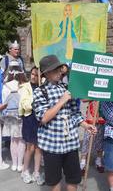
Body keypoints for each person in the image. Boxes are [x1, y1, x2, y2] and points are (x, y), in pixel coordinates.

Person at [33, 55, 96, 191]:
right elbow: (43, 118)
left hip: (71, 143)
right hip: (51, 145)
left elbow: (75, 113)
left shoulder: (67, 88)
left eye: (59, 69)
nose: (59, 72)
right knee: (54, 181)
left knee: (73, 179)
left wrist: (85, 125)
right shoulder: (40, 92)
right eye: (55, 70)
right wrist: (61, 101)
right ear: (47, 73)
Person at [20, 66, 45, 185]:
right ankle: (25, 171)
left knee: (39, 147)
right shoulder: (25, 87)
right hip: (29, 119)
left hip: (40, 119)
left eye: (37, 75)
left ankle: (36, 172)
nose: (34, 77)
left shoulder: (43, 86)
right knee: (30, 147)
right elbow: (26, 105)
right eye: (33, 74)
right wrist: (37, 99)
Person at [1, 61, 26, 172]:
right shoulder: (24, 84)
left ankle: (14, 164)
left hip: (9, 116)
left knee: (13, 140)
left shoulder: (5, 85)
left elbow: (3, 101)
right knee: (21, 140)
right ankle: (20, 164)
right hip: (21, 114)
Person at [80, 100, 105, 174]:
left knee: (100, 141)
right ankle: (82, 163)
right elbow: (83, 99)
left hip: (102, 118)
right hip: (91, 118)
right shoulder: (91, 88)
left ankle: (98, 161)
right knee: (87, 141)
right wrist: (95, 95)